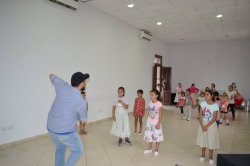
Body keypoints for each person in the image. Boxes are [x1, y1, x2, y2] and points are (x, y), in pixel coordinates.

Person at [47, 72, 89, 166]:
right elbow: (83, 120)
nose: (85, 83)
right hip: (64, 132)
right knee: (78, 151)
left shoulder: (62, 86)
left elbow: (51, 75)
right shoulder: (81, 101)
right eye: (84, 81)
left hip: (51, 128)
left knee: (60, 148)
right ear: (81, 83)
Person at [196, 90, 220, 165]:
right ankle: (202, 156)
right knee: (203, 139)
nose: (205, 96)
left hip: (211, 125)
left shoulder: (215, 105)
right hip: (203, 124)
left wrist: (206, 126)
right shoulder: (202, 103)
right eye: (205, 95)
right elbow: (200, 115)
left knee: (211, 140)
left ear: (212, 95)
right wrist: (202, 125)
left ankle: (210, 157)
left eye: (207, 95)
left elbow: (214, 118)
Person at [144, 89, 164, 156]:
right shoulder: (150, 103)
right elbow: (149, 112)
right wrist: (147, 120)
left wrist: (158, 123)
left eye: (152, 95)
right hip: (149, 123)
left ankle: (156, 149)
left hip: (156, 123)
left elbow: (161, 115)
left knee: (157, 136)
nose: (151, 96)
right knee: (149, 135)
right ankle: (149, 149)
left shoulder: (159, 104)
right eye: (150, 95)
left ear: (156, 95)